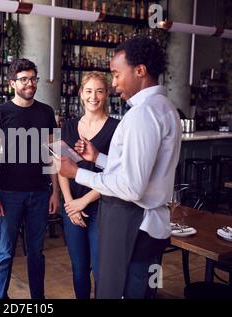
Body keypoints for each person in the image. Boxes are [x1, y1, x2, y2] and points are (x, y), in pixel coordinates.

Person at [57, 36, 182, 299]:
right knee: (146, 288)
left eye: (116, 74)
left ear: (140, 71)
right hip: (150, 227)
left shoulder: (142, 114)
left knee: (122, 291)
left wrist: (77, 172)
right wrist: (99, 158)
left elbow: (131, 186)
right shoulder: (165, 107)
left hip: (134, 226)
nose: (113, 84)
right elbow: (141, 169)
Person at [0, 58, 59, 299]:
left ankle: (38, 298)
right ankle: (0, 298)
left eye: (33, 79)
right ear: (12, 83)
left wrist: (55, 192)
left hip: (40, 192)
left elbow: (52, 155)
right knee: (6, 251)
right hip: (9, 193)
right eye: (24, 79)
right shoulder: (1, 112)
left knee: (36, 252)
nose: (30, 84)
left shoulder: (46, 112)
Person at [58, 72, 119, 299]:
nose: (94, 96)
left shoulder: (117, 128)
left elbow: (116, 174)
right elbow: (60, 166)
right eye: (89, 91)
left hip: (103, 206)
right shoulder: (68, 125)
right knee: (79, 268)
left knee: (101, 268)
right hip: (72, 208)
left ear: (107, 95)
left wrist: (83, 201)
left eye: (100, 91)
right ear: (81, 94)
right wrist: (70, 203)